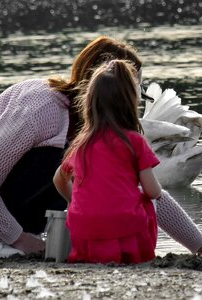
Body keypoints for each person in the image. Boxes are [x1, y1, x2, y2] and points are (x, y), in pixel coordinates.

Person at [0, 35, 202, 270]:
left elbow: (148, 195)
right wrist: (22, 240)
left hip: (3, 185)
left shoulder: (101, 129)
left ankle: (11, 232)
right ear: (100, 87)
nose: (137, 102)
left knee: (85, 169)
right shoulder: (42, 107)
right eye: (133, 91)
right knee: (65, 161)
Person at [53, 59, 162, 264]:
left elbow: (58, 179)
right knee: (148, 202)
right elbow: (153, 191)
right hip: (125, 227)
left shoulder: (80, 145)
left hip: (84, 231)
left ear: (90, 103)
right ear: (130, 101)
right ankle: (140, 253)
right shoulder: (134, 142)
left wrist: (74, 200)